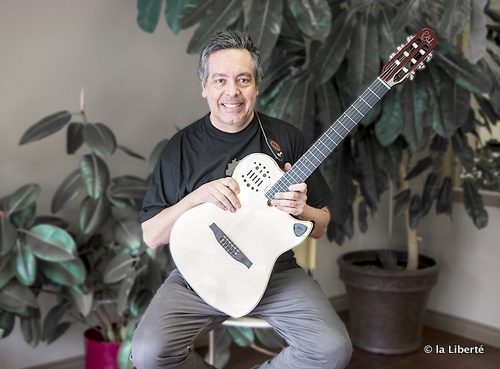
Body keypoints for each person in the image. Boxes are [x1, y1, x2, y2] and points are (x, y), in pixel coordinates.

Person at [131, 30, 352, 369]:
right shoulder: (181, 148)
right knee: (149, 353)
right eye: (220, 80)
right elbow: (151, 236)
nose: (232, 92)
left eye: (243, 80)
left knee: (332, 348)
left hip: (273, 273)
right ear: (204, 88)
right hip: (198, 271)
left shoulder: (284, 138)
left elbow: (321, 224)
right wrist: (196, 198)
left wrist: (302, 210)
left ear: (256, 87)